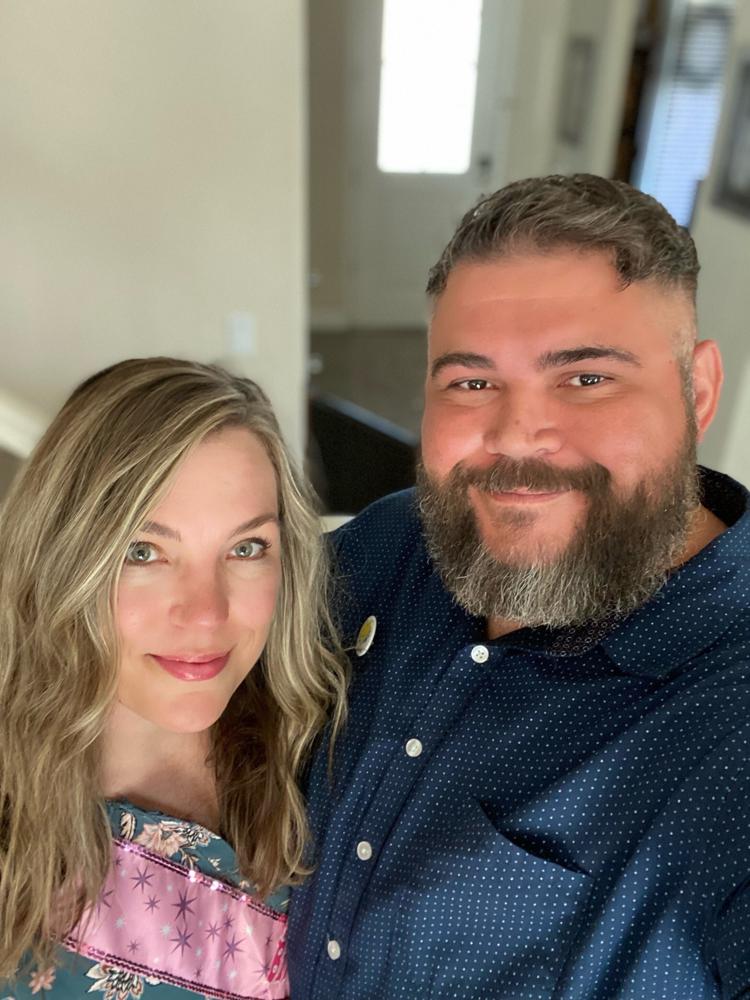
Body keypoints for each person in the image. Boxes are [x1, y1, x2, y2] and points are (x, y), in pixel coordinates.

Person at [288, 174, 750, 999]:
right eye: (471, 382)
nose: (515, 437)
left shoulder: (729, 731)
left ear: (699, 390)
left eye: (586, 379)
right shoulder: (398, 539)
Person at [0, 357, 348, 999]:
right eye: (144, 552)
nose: (206, 613)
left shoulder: (334, 774)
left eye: (246, 549)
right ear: (63, 559)